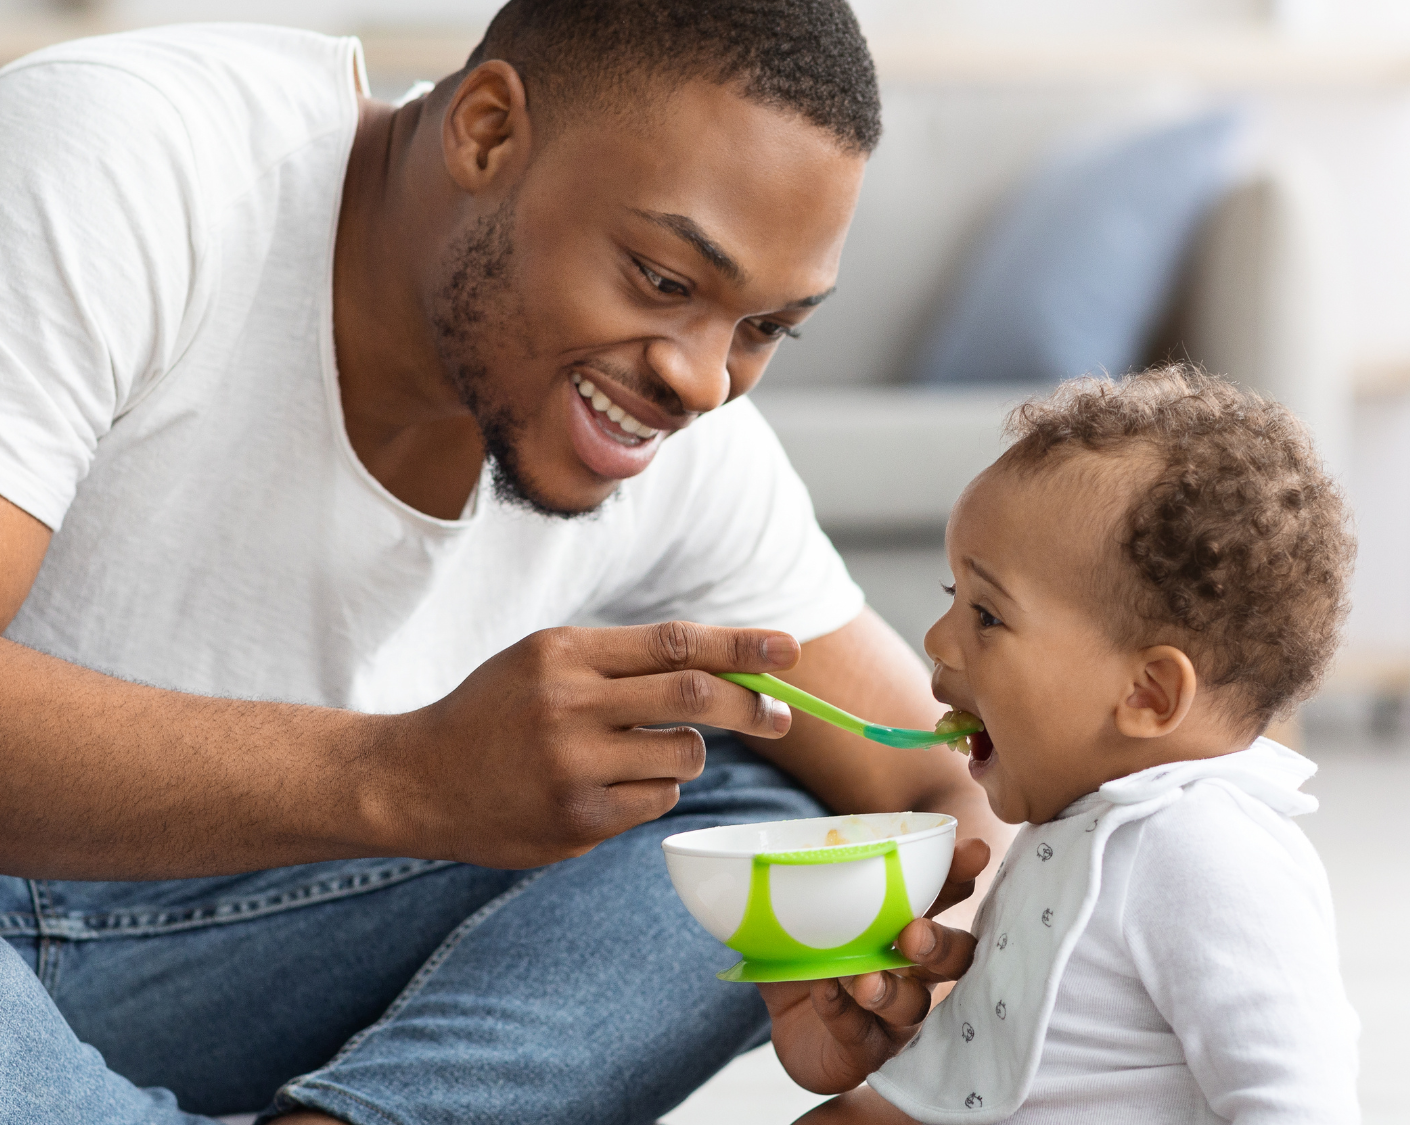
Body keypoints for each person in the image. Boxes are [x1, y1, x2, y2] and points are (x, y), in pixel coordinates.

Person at [0, 3, 1007, 1123]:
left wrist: (903, 988)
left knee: (743, 808)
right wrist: (409, 779)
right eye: (665, 279)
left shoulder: (677, 444)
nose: (705, 381)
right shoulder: (127, 161)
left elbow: (939, 781)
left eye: (767, 328)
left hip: (208, 954)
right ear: (485, 133)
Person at [762, 366, 1361, 1123]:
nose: (937, 638)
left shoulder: (1205, 850)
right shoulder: (1083, 818)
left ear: (1147, 695)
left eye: (986, 616)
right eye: (955, 598)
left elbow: (1297, 1098)